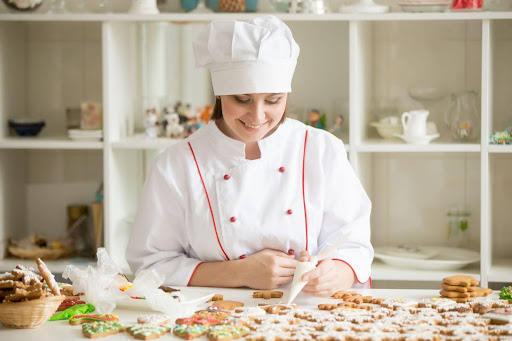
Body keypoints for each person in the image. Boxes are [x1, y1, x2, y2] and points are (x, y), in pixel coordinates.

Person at [126, 15, 373, 296]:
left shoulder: (321, 149)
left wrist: (340, 271)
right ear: (219, 95)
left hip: (307, 312)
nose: (257, 116)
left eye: (273, 100)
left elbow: (353, 241)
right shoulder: (177, 164)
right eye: (242, 100)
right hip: (215, 315)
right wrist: (239, 272)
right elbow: (150, 265)